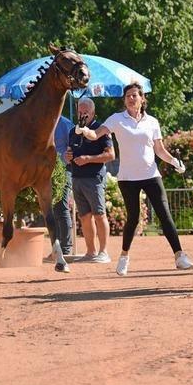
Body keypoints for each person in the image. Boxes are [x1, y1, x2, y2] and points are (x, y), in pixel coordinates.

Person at [75, 82, 193, 276]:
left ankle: (180, 255)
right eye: (128, 96)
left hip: (151, 175)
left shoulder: (152, 122)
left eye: (134, 95)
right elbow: (96, 135)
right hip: (128, 178)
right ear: (124, 100)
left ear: (142, 99)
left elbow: (159, 150)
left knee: (165, 215)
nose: (131, 99)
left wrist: (174, 162)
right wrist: (84, 131)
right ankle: (124, 257)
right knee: (133, 218)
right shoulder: (116, 119)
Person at [65, 98, 114, 264]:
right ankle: (91, 252)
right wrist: (68, 156)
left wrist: (88, 159)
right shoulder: (73, 131)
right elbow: (69, 152)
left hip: (94, 178)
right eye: (80, 111)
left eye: (85, 112)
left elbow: (110, 155)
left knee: (99, 215)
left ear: (93, 113)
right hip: (76, 177)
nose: (82, 114)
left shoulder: (101, 130)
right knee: (85, 217)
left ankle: (104, 252)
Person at [51, 115, 74, 258]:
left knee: (62, 208)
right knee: (53, 210)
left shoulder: (66, 124)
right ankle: (57, 248)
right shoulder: (43, 120)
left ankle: (65, 249)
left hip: (64, 170)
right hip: (47, 172)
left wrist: (64, 158)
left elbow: (72, 147)